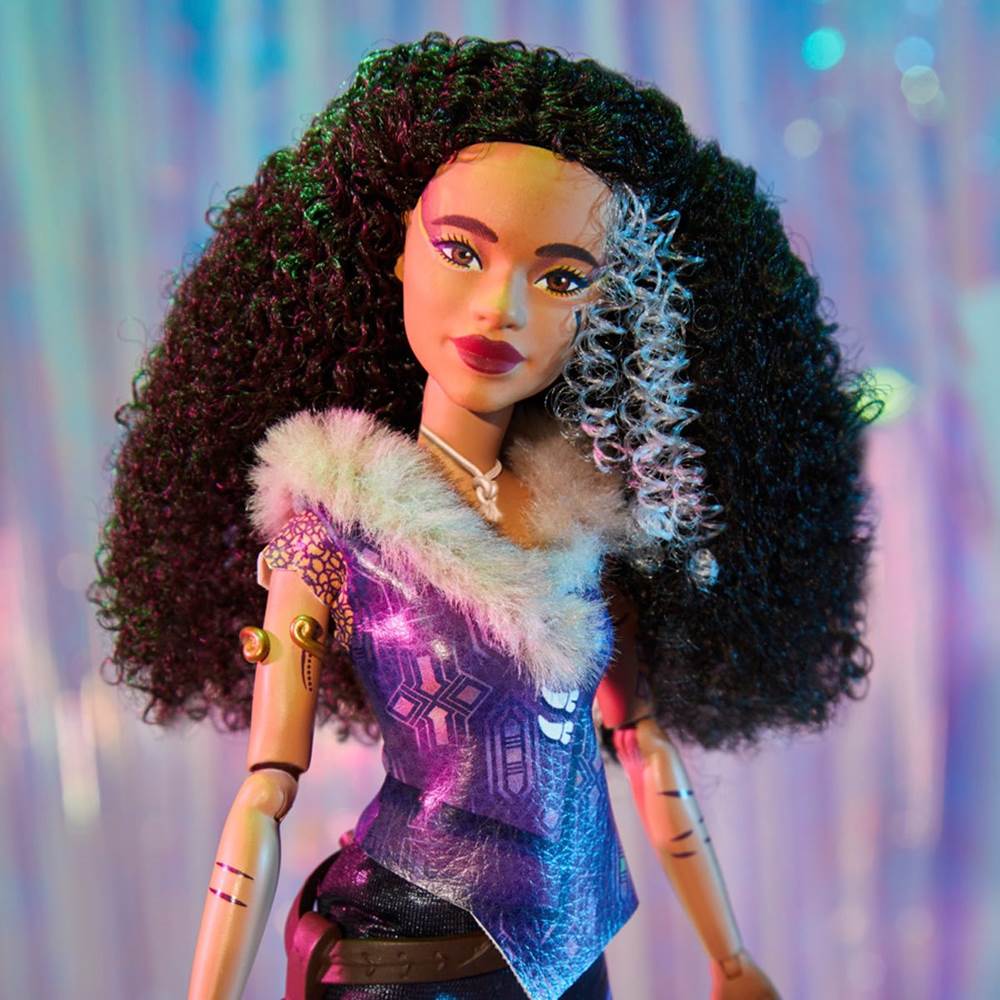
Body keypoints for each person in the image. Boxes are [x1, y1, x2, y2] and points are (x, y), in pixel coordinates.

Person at [92, 33, 877, 999]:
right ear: (397, 250)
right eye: (461, 251)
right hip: (402, 960)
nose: (500, 305)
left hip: (571, 960)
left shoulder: (586, 526)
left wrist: (730, 956)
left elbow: (643, 748)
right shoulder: (333, 530)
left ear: (608, 310)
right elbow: (265, 791)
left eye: (561, 277)